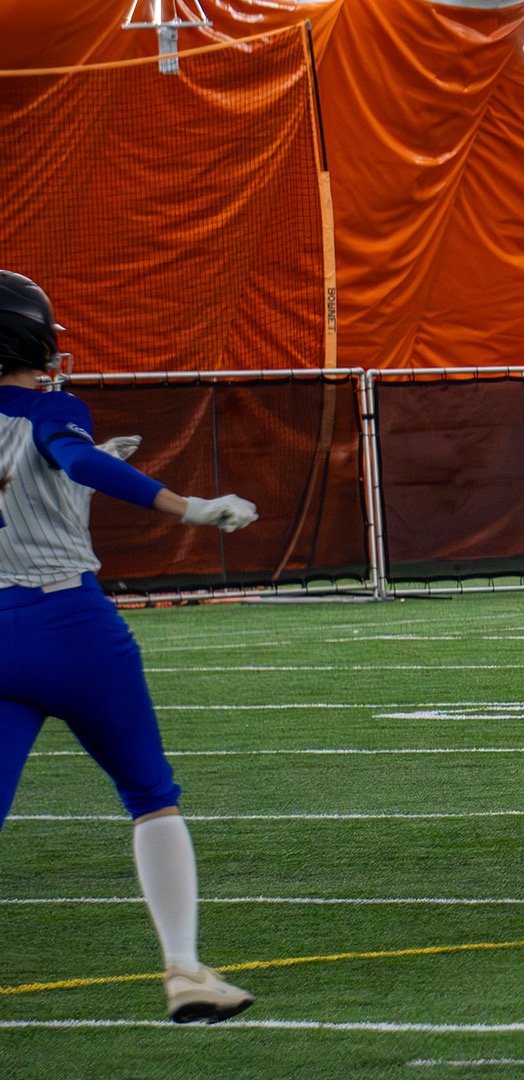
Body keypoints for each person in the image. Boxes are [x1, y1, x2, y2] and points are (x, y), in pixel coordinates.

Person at [0, 270, 261, 1022]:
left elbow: (38, 487)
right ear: (30, 339)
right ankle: (183, 969)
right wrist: (190, 508)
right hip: (73, 629)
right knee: (150, 796)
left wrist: (71, 475)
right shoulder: (56, 409)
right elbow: (74, 460)